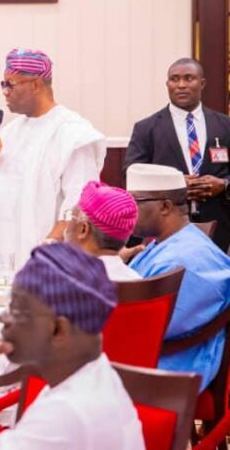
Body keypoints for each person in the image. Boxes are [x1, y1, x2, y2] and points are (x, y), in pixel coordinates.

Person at [0, 242, 144, 450]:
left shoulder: (65, 414)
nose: (2, 318)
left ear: (58, 330)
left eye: (16, 311)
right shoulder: (94, 376)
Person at [0, 49, 106, 271]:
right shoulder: (11, 132)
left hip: (47, 269)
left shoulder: (73, 134)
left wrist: (44, 255)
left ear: (35, 84)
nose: (5, 92)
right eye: (3, 84)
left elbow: (79, 208)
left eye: (10, 84)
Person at [126, 163, 230, 389]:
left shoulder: (180, 262)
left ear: (165, 206)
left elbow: (143, 331)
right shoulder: (167, 241)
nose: (127, 211)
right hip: (150, 354)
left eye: (134, 202)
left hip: (168, 368)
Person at [124, 58, 230, 250]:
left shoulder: (225, 125)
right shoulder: (146, 128)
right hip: (165, 227)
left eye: (189, 78)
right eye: (174, 79)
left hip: (219, 226)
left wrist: (223, 184)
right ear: (167, 84)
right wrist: (174, 183)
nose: (181, 85)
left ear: (202, 83)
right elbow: (130, 174)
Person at [63, 181, 141, 281]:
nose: (66, 226)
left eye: (71, 217)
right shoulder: (138, 280)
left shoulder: (64, 283)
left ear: (83, 229)